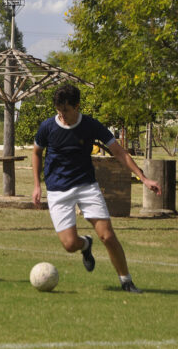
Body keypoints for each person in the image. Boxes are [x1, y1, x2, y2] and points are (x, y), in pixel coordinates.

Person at [31, 84, 162, 294]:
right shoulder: (47, 127)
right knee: (69, 244)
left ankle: (126, 281)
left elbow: (119, 152)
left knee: (107, 236)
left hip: (86, 186)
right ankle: (85, 244)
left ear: (77, 106)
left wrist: (143, 178)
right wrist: (37, 185)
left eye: (66, 110)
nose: (62, 115)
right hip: (57, 190)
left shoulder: (91, 125)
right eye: (59, 110)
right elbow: (36, 153)